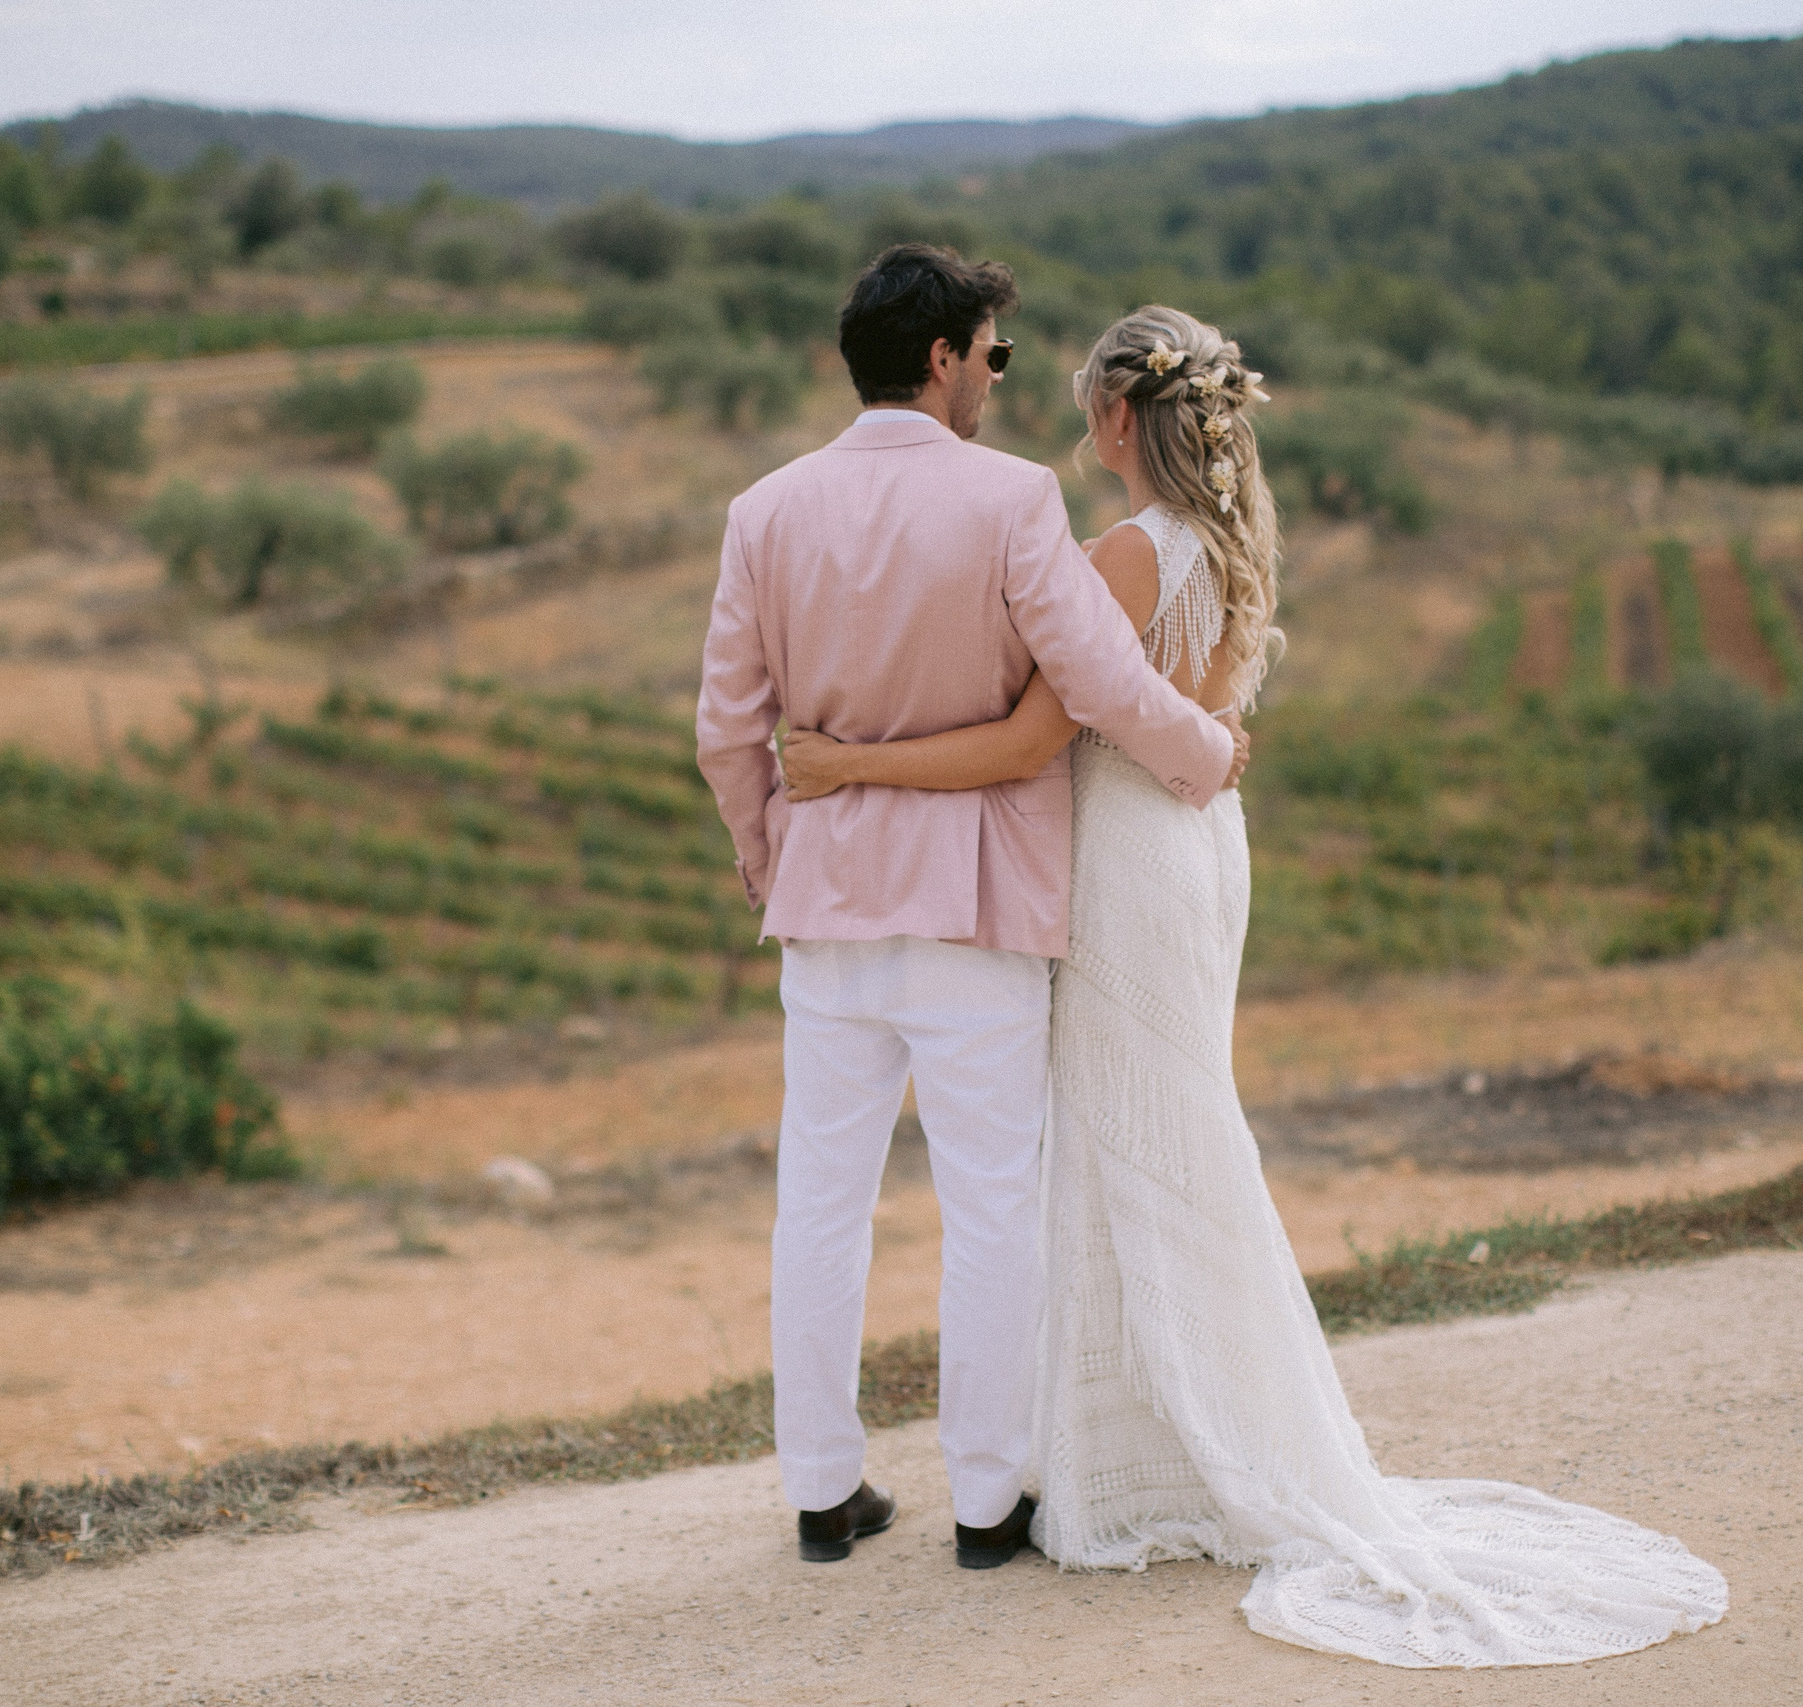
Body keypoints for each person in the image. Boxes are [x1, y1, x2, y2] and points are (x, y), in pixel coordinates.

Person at [774, 304, 1731, 1667]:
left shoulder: (1115, 555)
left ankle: (1142, 1467)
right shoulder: (1226, 541)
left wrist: (846, 765)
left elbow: (1029, 743)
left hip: (1123, 866)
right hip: (1197, 850)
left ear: (1118, 418)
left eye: (1075, 401)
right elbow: (1200, 722)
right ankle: (1150, 1448)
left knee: (1128, 1142)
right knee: (1167, 1130)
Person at [694, 248, 1249, 1572]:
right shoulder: (1011, 501)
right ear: (942, 359)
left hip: (827, 912)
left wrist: (773, 856)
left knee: (818, 1203)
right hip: (977, 909)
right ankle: (989, 1507)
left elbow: (728, 728)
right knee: (992, 1206)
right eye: (992, 356)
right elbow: (1103, 675)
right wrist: (1204, 755)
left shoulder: (762, 510)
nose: (1000, 381)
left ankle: (824, 1496)